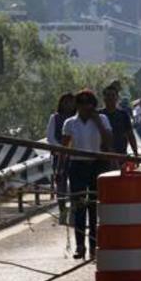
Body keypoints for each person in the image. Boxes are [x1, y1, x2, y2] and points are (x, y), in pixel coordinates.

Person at [60, 90, 112, 259]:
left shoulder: (102, 119)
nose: (85, 106)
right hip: (78, 166)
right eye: (81, 103)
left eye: (88, 102)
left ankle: (94, 245)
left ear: (93, 104)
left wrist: (97, 122)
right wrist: (60, 170)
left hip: (97, 164)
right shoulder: (70, 123)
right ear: (77, 105)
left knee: (94, 207)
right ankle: (80, 245)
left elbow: (109, 142)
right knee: (79, 207)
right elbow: (63, 149)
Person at [47, 93, 77, 224]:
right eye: (66, 102)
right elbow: (50, 137)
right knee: (60, 185)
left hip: (75, 158)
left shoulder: (77, 119)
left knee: (76, 186)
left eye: (71, 102)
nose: (68, 105)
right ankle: (62, 210)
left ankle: (74, 213)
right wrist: (62, 149)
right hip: (59, 156)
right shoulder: (55, 118)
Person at [101, 84, 139, 161]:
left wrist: (136, 153)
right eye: (108, 95)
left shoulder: (123, 115)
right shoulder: (98, 115)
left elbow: (130, 135)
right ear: (104, 98)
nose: (110, 98)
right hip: (102, 156)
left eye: (112, 95)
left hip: (120, 155)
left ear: (117, 98)